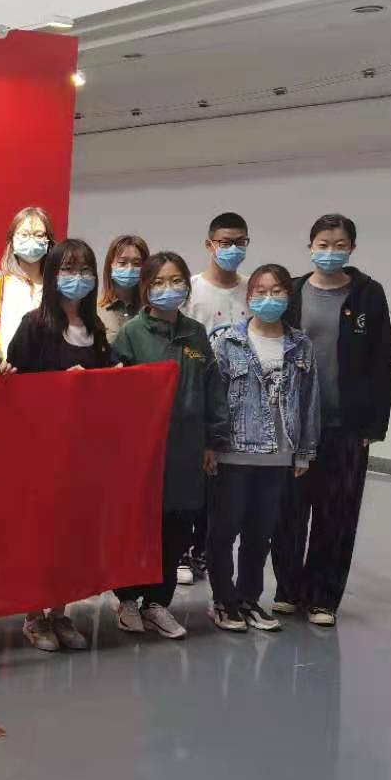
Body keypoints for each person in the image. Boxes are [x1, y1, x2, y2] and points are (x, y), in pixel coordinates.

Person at [272, 214, 391, 627]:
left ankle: (324, 597)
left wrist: (372, 427)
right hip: (293, 425)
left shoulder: (368, 294)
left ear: (352, 249)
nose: (330, 252)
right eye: (323, 244)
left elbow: (382, 362)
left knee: (336, 513)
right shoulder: (291, 290)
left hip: (345, 426)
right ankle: (288, 589)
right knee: (288, 511)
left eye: (339, 245)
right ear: (310, 246)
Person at [110, 251, 228, 640]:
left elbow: (212, 388)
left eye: (176, 280)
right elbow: (112, 391)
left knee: (176, 528)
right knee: (136, 526)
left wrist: (213, 440)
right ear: (145, 288)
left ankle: (158, 603)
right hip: (141, 450)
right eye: (158, 282)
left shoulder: (196, 334)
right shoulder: (131, 333)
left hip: (186, 449)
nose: (168, 288)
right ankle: (128, 600)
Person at [6, 239, 113, 652]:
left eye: (85, 270)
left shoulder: (96, 329)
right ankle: (34, 615)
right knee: (42, 536)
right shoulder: (34, 326)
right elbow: (15, 390)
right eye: (68, 269)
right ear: (52, 275)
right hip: (42, 452)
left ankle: (59, 611)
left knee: (73, 535)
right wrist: (59, 387)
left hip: (84, 453)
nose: (77, 278)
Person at [208, 264, 320, 634]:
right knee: (225, 529)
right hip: (233, 452)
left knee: (260, 534)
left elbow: (309, 401)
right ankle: (223, 600)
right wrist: (210, 445)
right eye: (260, 291)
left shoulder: (301, 345)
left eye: (277, 291)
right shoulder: (227, 341)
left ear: (289, 296)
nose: (268, 298)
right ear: (249, 296)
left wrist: (304, 451)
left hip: (278, 455)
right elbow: (215, 399)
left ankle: (248, 598)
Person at [179, 212, 251, 588]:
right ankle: (181, 550)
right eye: (225, 242)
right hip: (196, 397)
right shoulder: (190, 291)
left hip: (239, 404)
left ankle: (204, 550)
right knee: (190, 477)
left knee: (222, 484)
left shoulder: (253, 291)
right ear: (210, 245)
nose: (232, 248)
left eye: (240, 242)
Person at [0, 206, 55, 357]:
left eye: (39, 235)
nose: (31, 240)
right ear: (12, 240)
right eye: (24, 234)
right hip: (4, 368)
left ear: (48, 242)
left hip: (49, 368)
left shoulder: (56, 284)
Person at [98, 234, 149, 344]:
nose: (130, 268)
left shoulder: (152, 310)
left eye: (137, 263)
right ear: (110, 265)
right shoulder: (96, 310)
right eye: (122, 263)